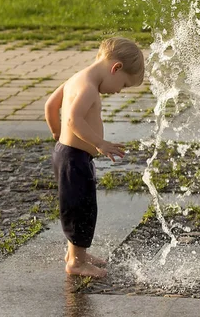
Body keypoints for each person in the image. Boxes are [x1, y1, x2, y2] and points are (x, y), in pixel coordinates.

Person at [44, 37, 145, 277]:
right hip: (74, 158)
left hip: (68, 154)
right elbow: (73, 119)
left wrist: (57, 134)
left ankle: (75, 254)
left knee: (77, 205)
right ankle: (76, 264)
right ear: (116, 68)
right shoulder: (89, 87)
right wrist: (99, 143)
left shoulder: (76, 78)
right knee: (82, 209)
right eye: (123, 85)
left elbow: (50, 105)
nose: (119, 91)